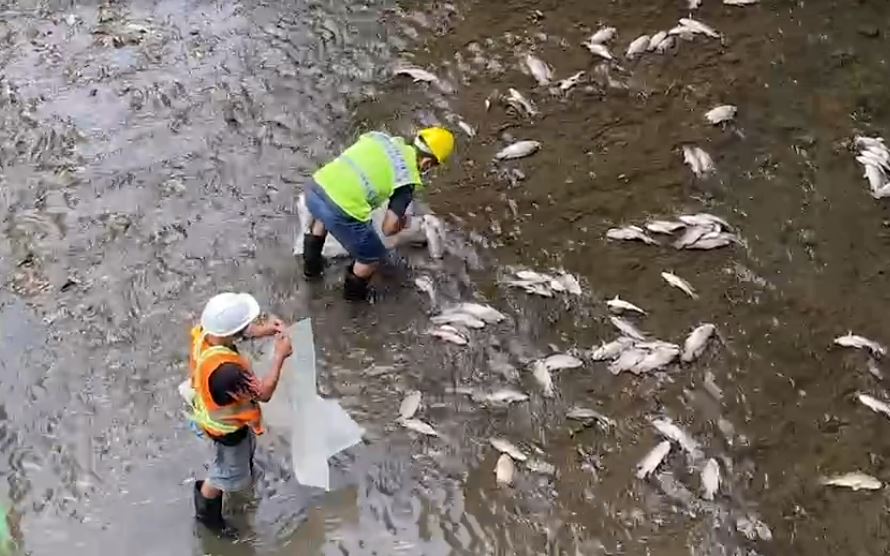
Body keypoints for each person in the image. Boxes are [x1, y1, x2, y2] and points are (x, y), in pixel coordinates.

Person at [301, 127, 455, 301]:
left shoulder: (379, 139)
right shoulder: (406, 180)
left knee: (324, 215)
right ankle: (353, 300)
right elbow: (388, 228)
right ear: (427, 163)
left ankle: (311, 270)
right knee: (371, 256)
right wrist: (402, 222)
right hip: (340, 209)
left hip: (315, 188)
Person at [188, 292, 292, 536]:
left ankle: (238, 472)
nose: (247, 329)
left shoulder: (205, 334)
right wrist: (280, 355)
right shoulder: (228, 373)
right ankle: (207, 516)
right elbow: (264, 393)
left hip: (210, 413)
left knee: (238, 461)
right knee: (222, 475)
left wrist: (263, 330)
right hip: (226, 433)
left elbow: (232, 333)